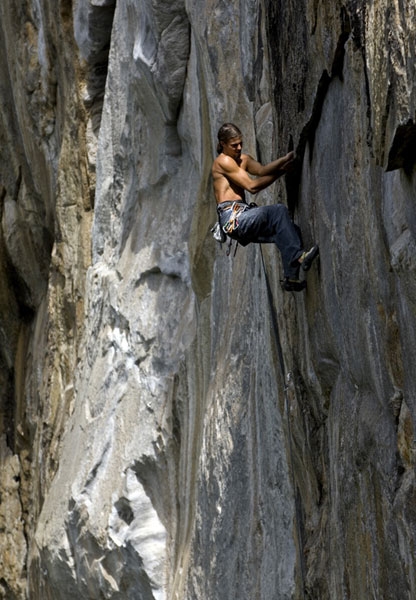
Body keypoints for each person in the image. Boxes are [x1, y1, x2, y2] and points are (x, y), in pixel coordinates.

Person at [212, 123, 319, 291]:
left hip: (243, 214)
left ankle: (291, 278)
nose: (239, 148)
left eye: (241, 143)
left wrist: (283, 160)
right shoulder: (223, 161)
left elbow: (261, 170)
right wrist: (282, 171)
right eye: (234, 145)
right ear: (223, 144)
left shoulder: (243, 159)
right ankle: (298, 257)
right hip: (234, 219)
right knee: (278, 211)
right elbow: (252, 186)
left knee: (288, 230)